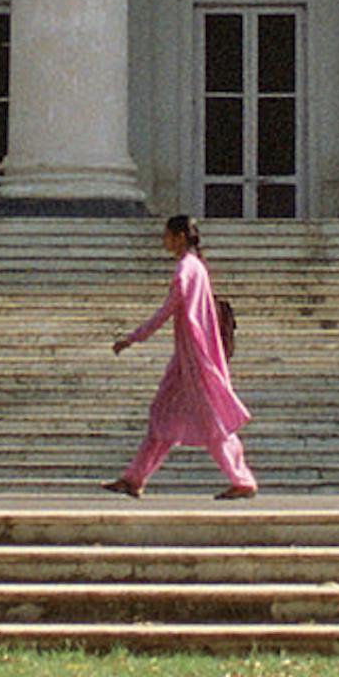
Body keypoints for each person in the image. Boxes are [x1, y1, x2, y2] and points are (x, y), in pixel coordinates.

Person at [106, 213, 256, 499]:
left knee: (210, 421)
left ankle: (241, 479)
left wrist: (133, 337)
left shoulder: (186, 270)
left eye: (167, 235)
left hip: (194, 360)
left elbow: (167, 311)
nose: (164, 241)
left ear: (180, 237)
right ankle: (134, 477)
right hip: (186, 359)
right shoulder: (196, 267)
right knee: (162, 416)